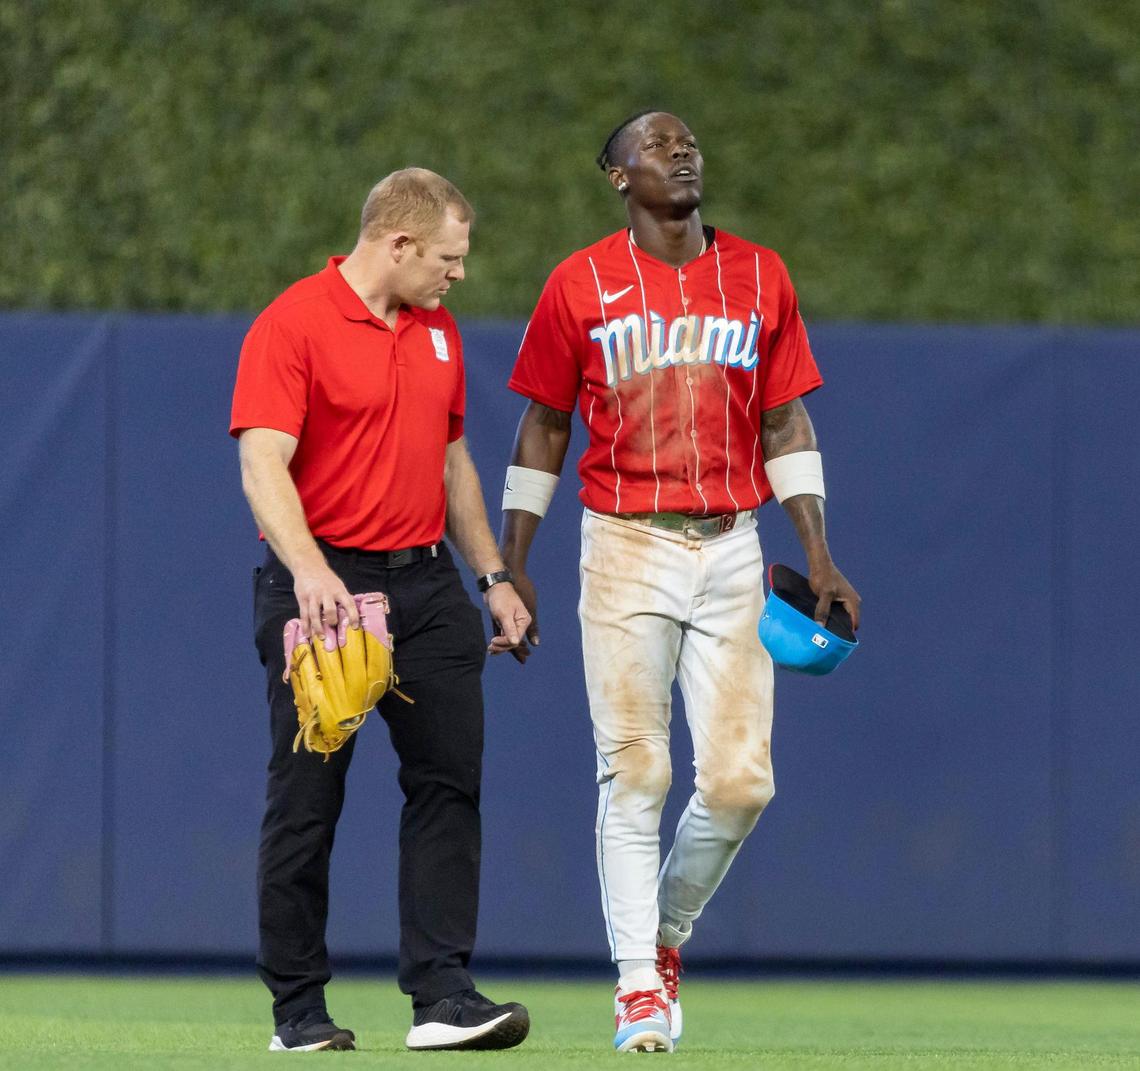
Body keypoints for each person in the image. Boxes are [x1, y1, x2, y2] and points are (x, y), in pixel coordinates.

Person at [500, 112, 861, 1053]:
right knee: (639, 768)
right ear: (618, 177)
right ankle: (635, 990)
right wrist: (513, 561)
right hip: (624, 542)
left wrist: (817, 551)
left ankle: (659, 936)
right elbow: (543, 424)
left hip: (733, 545)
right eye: (656, 144)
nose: (681, 149)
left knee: (743, 784)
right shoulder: (578, 282)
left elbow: (785, 424)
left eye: (688, 139)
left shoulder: (760, 274)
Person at [230, 168, 532, 1053]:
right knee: (308, 800)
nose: (458, 275)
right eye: (448, 257)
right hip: (322, 587)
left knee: (449, 782)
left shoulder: (438, 333)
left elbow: (453, 461)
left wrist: (494, 576)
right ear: (398, 245)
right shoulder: (293, 324)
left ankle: (442, 997)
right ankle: (297, 1011)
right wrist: (313, 570)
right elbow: (263, 462)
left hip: (428, 583)